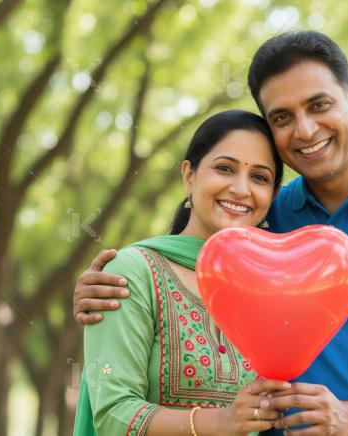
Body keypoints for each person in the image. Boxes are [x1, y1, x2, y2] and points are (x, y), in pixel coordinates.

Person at [74, 31, 348, 435]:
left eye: (319, 105)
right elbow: (189, 258)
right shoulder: (265, 217)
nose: (306, 130)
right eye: (282, 117)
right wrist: (113, 285)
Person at [73, 110, 292, 435]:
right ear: (189, 175)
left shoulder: (266, 291)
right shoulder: (135, 272)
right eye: (225, 168)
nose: (241, 188)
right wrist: (222, 421)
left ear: (273, 194)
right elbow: (113, 414)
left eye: (260, 177)